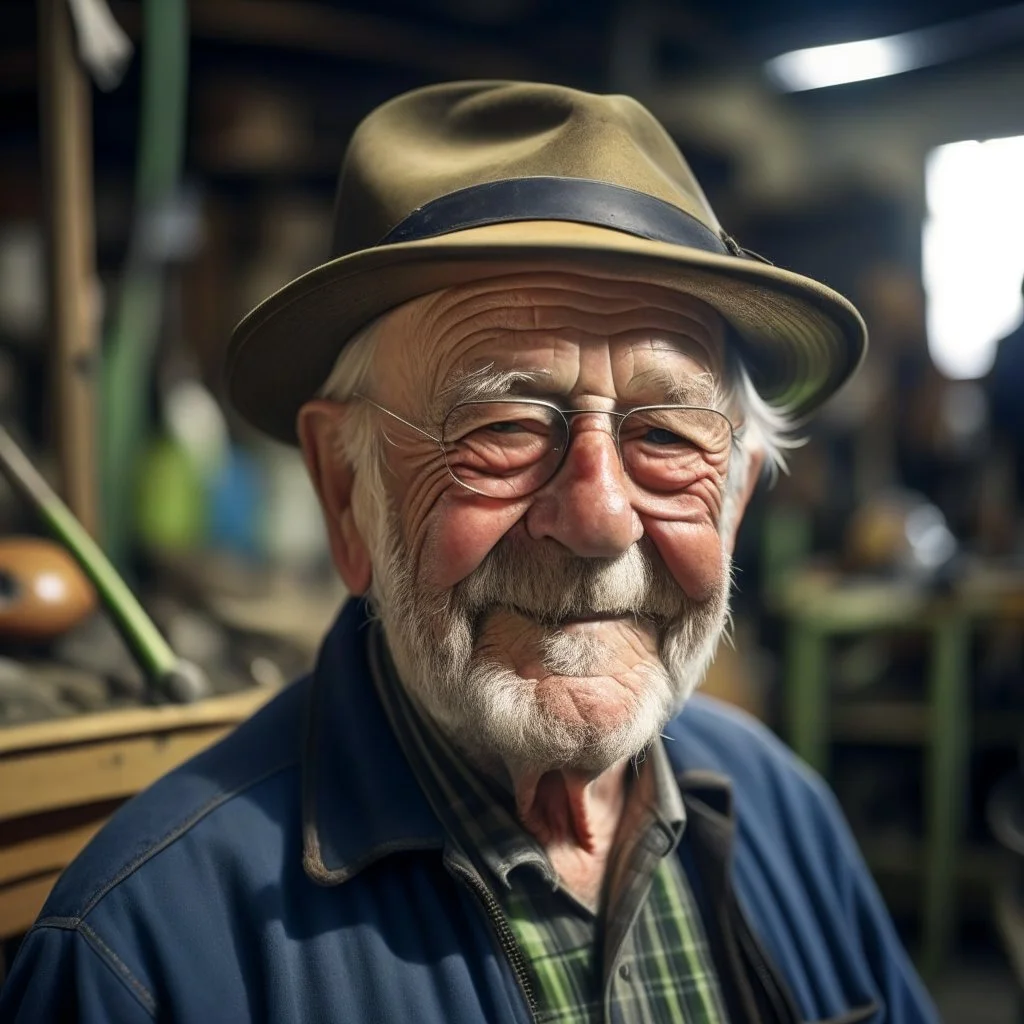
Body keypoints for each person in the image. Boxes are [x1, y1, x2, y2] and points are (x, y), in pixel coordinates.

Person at [0, 81, 937, 1023]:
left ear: (734, 496)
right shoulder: (145, 957)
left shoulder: (786, 816)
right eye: (504, 427)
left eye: (666, 437)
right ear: (344, 489)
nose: (601, 517)